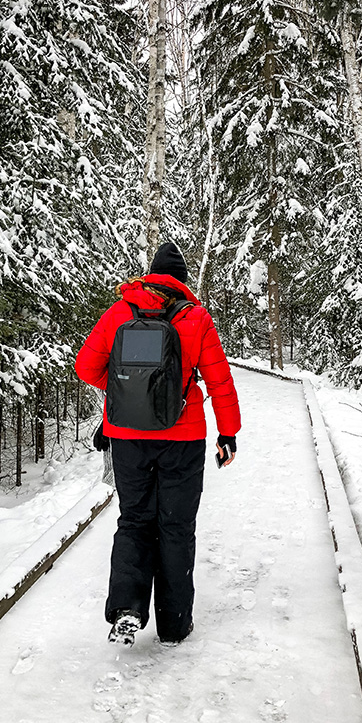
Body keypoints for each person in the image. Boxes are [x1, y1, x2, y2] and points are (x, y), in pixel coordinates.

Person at [75, 241, 241, 646]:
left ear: (150, 275)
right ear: (182, 283)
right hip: (183, 439)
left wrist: (127, 398)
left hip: (129, 438)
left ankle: (128, 607)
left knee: (134, 520)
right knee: (176, 526)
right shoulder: (196, 318)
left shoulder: (120, 312)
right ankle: (174, 624)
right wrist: (228, 434)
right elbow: (219, 380)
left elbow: (86, 367)